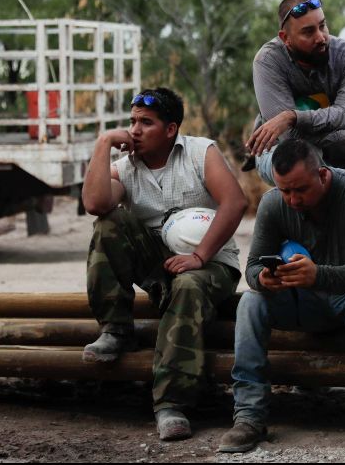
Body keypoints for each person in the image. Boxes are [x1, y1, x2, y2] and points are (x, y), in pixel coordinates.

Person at [80, 87, 248, 441]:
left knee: (188, 285)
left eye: (146, 123)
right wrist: (103, 143)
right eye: (132, 122)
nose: (135, 130)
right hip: (161, 268)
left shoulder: (201, 152)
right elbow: (95, 204)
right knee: (109, 223)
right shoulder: (125, 168)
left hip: (211, 265)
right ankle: (115, 330)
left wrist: (199, 256)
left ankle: (171, 403)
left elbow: (235, 202)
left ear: (170, 129)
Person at [219, 140, 345, 452]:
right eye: (285, 191)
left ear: (323, 174)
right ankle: (248, 417)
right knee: (251, 301)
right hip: (306, 301)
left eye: (300, 190)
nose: (292, 199)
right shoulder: (273, 203)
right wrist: (265, 279)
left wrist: (318, 275)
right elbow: (252, 268)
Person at [242, 0, 345, 185]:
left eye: (322, 26)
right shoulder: (268, 61)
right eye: (308, 32)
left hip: (334, 151)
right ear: (285, 38)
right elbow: (291, 137)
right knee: (301, 170)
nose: (321, 37)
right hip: (279, 149)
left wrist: (292, 117)